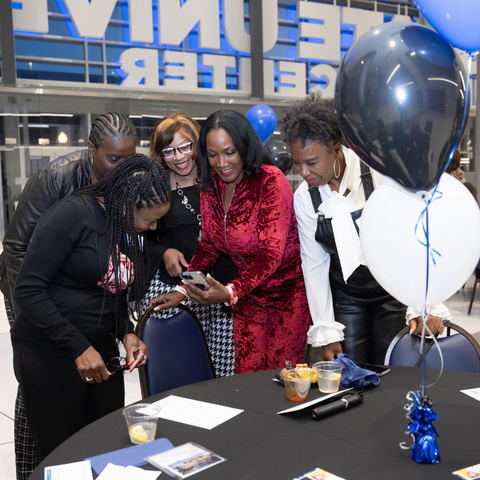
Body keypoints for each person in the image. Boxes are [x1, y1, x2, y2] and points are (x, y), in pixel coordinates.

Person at [0, 112, 137, 480]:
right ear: (91, 150)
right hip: (32, 297)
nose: (124, 169)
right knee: (38, 404)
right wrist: (34, 323)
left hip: (84, 298)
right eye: (113, 159)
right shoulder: (55, 178)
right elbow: (15, 249)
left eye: (130, 158)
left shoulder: (122, 189)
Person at [11, 154, 171, 461]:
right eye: (149, 220)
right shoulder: (72, 214)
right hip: (49, 353)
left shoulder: (121, 223)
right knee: (64, 457)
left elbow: (111, 287)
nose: (152, 228)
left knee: (106, 447)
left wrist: (126, 333)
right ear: (126, 202)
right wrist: (78, 347)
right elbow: (28, 289)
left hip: (98, 348)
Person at [284, 93, 446, 365]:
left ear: (336, 148)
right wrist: (326, 331)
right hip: (347, 296)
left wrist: (425, 302)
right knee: (352, 373)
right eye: (297, 163)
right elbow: (314, 265)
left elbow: (413, 240)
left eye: (312, 162)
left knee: (392, 369)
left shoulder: (378, 173)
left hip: (393, 291)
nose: (303, 172)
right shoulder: (304, 197)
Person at [149, 110, 311, 373]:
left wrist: (230, 291)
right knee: (248, 379)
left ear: (245, 147)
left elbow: (271, 254)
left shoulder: (270, 181)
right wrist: (182, 290)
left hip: (287, 299)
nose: (221, 163)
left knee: (282, 378)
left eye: (230, 152)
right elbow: (209, 244)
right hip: (247, 298)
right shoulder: (212, 184)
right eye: (212, 155)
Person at [144, 113, 235, 377]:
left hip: (218, 287)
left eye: (185, 147)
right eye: (169, 151)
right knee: (177, 370)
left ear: (197, 145)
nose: (179, 157)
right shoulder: (154, 187)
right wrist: (164, 252)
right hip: (170, 285)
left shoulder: (219, 178)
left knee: (223, 372)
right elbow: (139, 238)